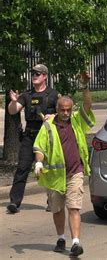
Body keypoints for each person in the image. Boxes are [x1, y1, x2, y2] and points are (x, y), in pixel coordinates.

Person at [33, 71, 94, 257]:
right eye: (62, 110)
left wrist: (85, 87)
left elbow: (88, 106)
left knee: (74, 207)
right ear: (57, 109)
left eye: (68, 110)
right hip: (54, 176)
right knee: (58, 210)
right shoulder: (48, 126)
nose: (66, 113)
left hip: (75, 173)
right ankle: (61, 238)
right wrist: (38, 163)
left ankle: (76, 242)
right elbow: (39, 147)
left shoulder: (77, 122)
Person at [6, 64, 59, 214]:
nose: (34, 76)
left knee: (49, 170)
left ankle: (52, 201)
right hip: (29, 136)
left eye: (37, 73)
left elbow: (64, 113)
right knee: (22, 169)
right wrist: (14, 101)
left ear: (44, 76)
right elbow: (13, 111)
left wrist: (53, 116)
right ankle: (14, 203)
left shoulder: (53, 94)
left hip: (47, 136)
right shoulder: (27, 95)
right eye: (33, 74)